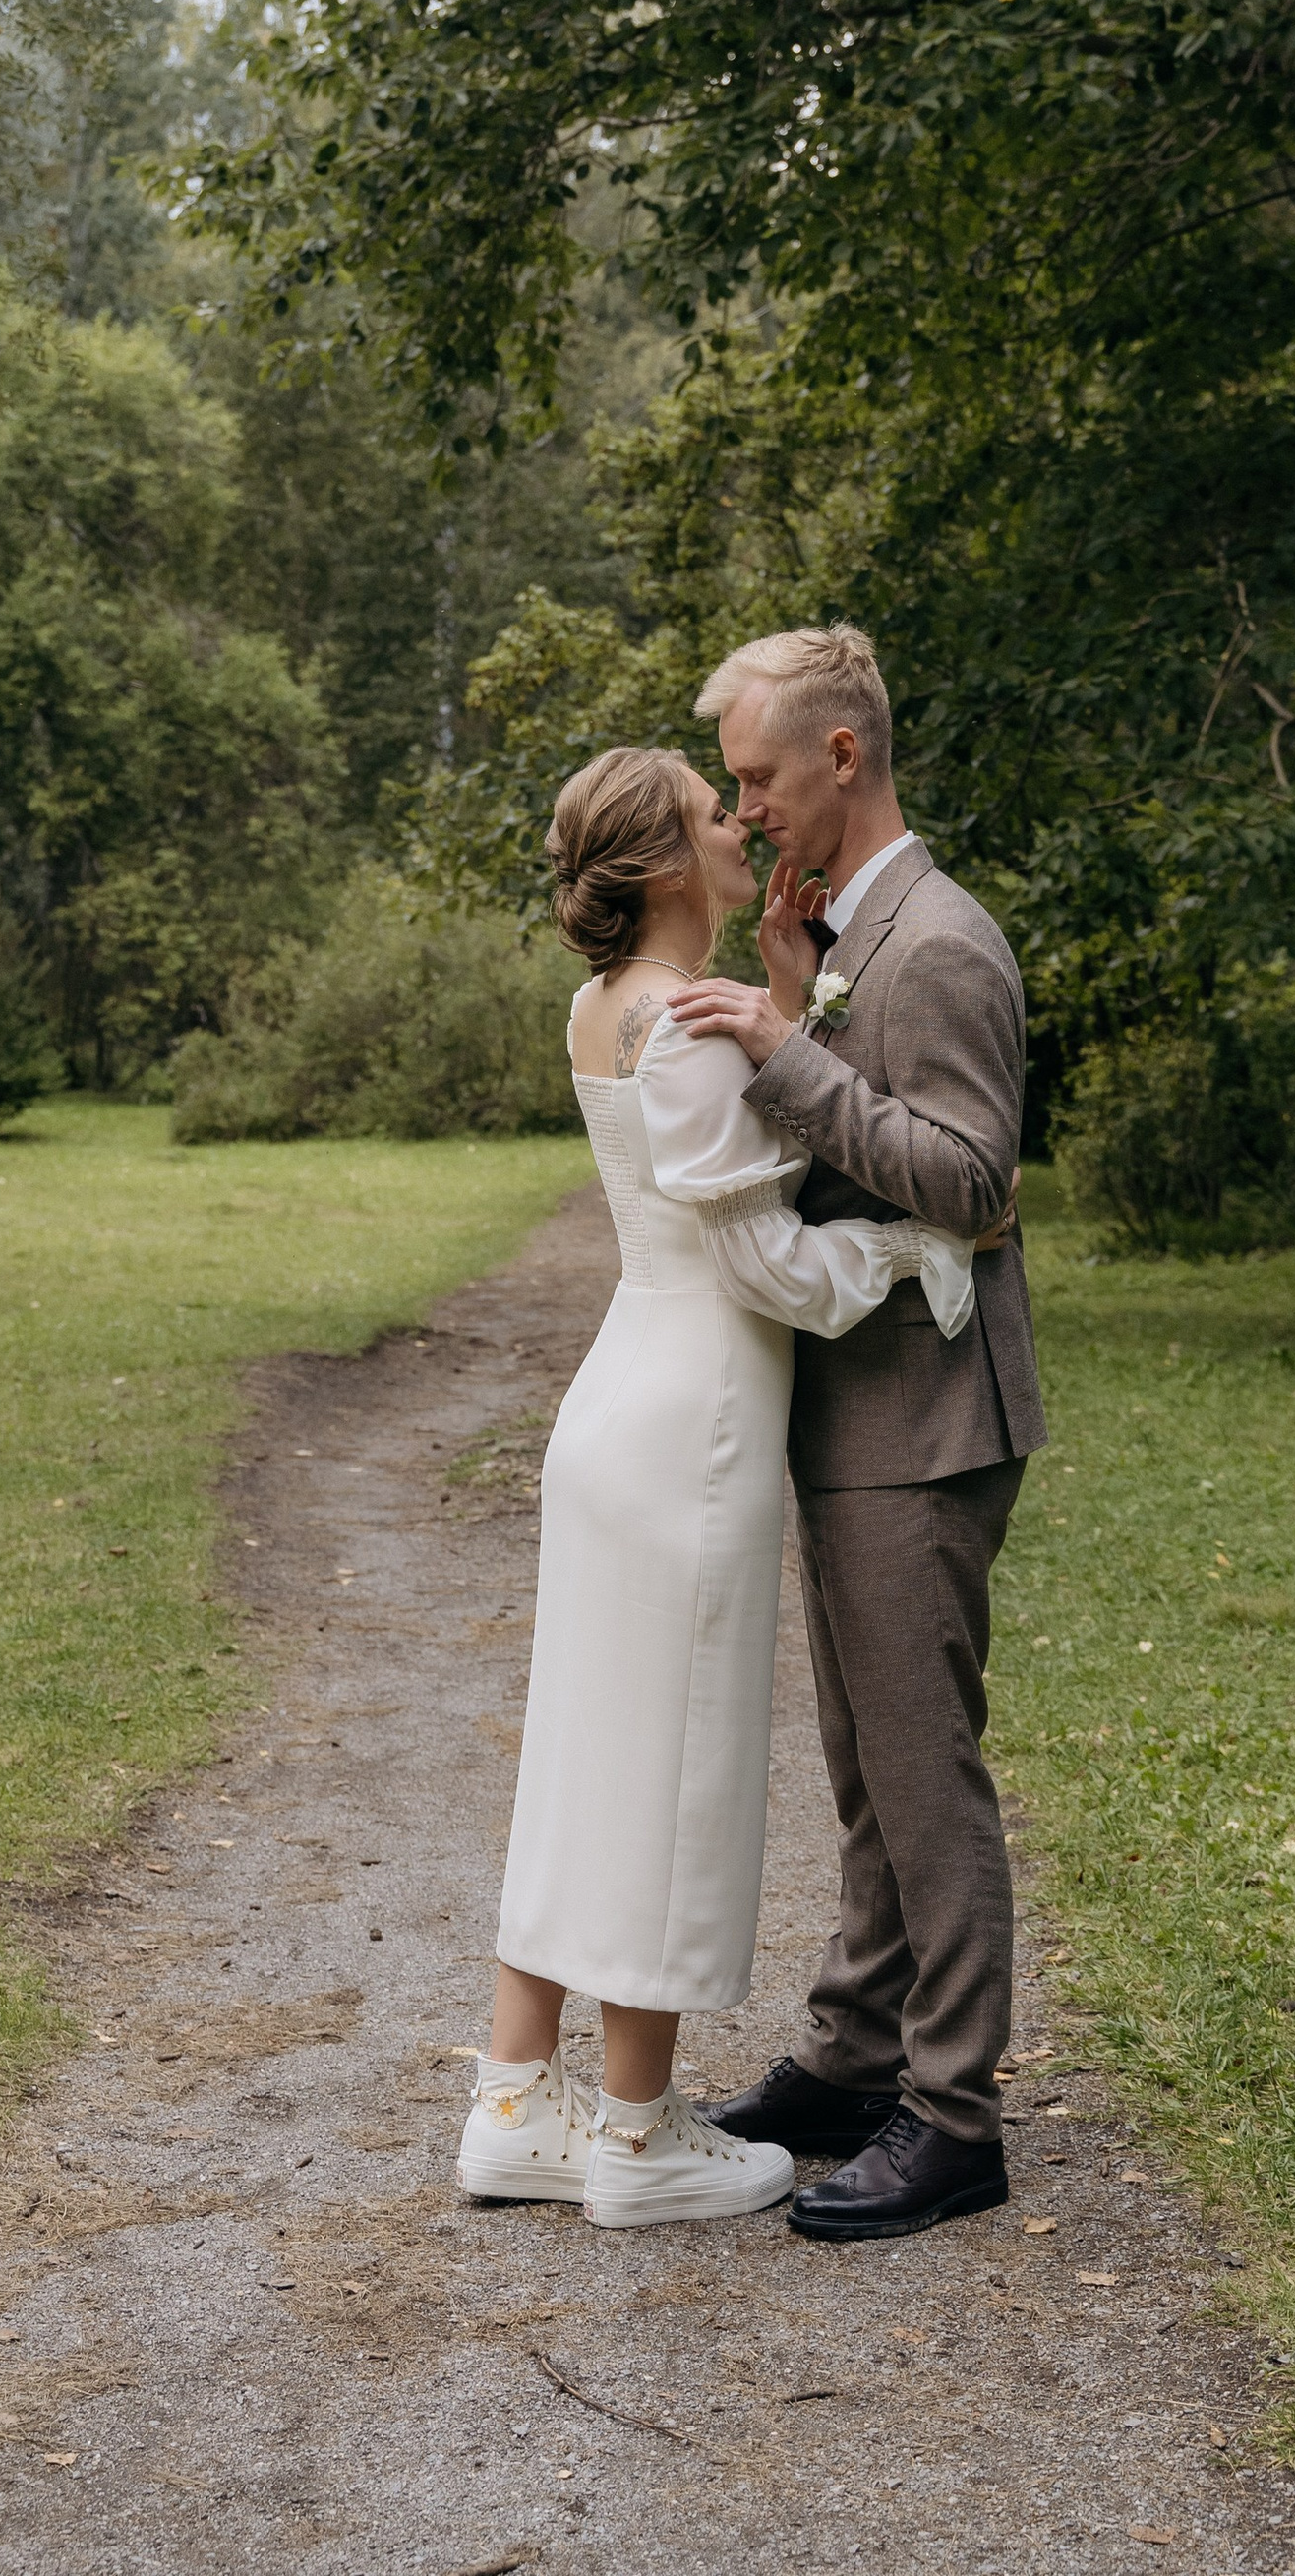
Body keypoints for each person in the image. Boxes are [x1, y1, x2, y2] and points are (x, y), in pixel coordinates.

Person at [460, 744, 981, 2230]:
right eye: (713, 812)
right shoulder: (688, 1028)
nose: (742, 823)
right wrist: (922, 1245)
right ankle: (640, 2139)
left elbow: (705, 1187)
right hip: (691, 1421)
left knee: (582, 1757)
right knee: (673, 1768)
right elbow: (767, 1267)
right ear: (663, 863)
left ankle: (514, 2106)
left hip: (623, 1389)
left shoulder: (611, 1004)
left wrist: (787, 1003)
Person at [671, 622, 1042, 2243]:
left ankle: (953, 2117)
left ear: (841, 754)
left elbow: (970, 1178)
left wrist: (781, 1051)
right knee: (865, 1772)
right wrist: (789, 998)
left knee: (922, 1774)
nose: (745, 808)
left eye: (758, 777)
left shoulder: (943, 942)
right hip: (857, 1411)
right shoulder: (838, 933)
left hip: (928, 1419)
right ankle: (851, 2057)